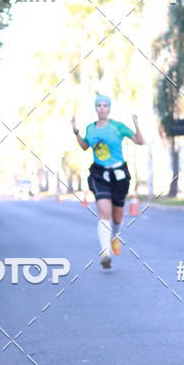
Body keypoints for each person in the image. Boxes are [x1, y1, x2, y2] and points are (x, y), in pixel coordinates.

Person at [71, 94, 144, 269]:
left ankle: (115, 237)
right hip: (99, 174)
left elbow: (139, 141)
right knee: (104, 212)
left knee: (117, 216)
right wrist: (76, 132)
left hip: (119, 174)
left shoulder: (118, 127)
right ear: (96, 109)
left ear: (109, 109)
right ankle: (105, 253)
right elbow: (84, 146)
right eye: (99, 105)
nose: (102, 108)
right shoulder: (91, 128)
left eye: (105, 105)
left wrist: (136, 124)